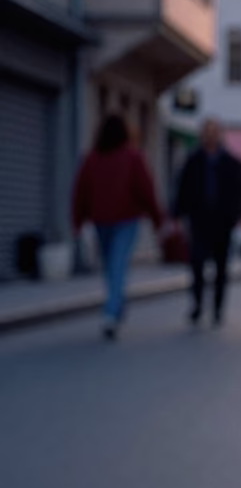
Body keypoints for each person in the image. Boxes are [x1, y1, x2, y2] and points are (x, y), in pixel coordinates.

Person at [72, 114, 163, 340]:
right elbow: (146, 189)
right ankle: (113, 310)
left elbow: (80, 192)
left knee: (110, 265)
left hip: (101, 219)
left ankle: (114, 306)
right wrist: (157, 218)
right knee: (118, 264)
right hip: (126, 218)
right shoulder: (133, 157)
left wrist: (78, 220)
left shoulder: (92, 159)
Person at [173, 118, 241, 326]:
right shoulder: (193, 160)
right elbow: (183, 188)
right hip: (199, 219)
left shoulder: (230, 162)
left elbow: (238, 191)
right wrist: (178, 212)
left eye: (214, 132)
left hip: (222, 221)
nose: (210, 136)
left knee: (221, 266)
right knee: (197, 263)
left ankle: (218, 306)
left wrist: (237, 214)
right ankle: (197, 303)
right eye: (207, 132)